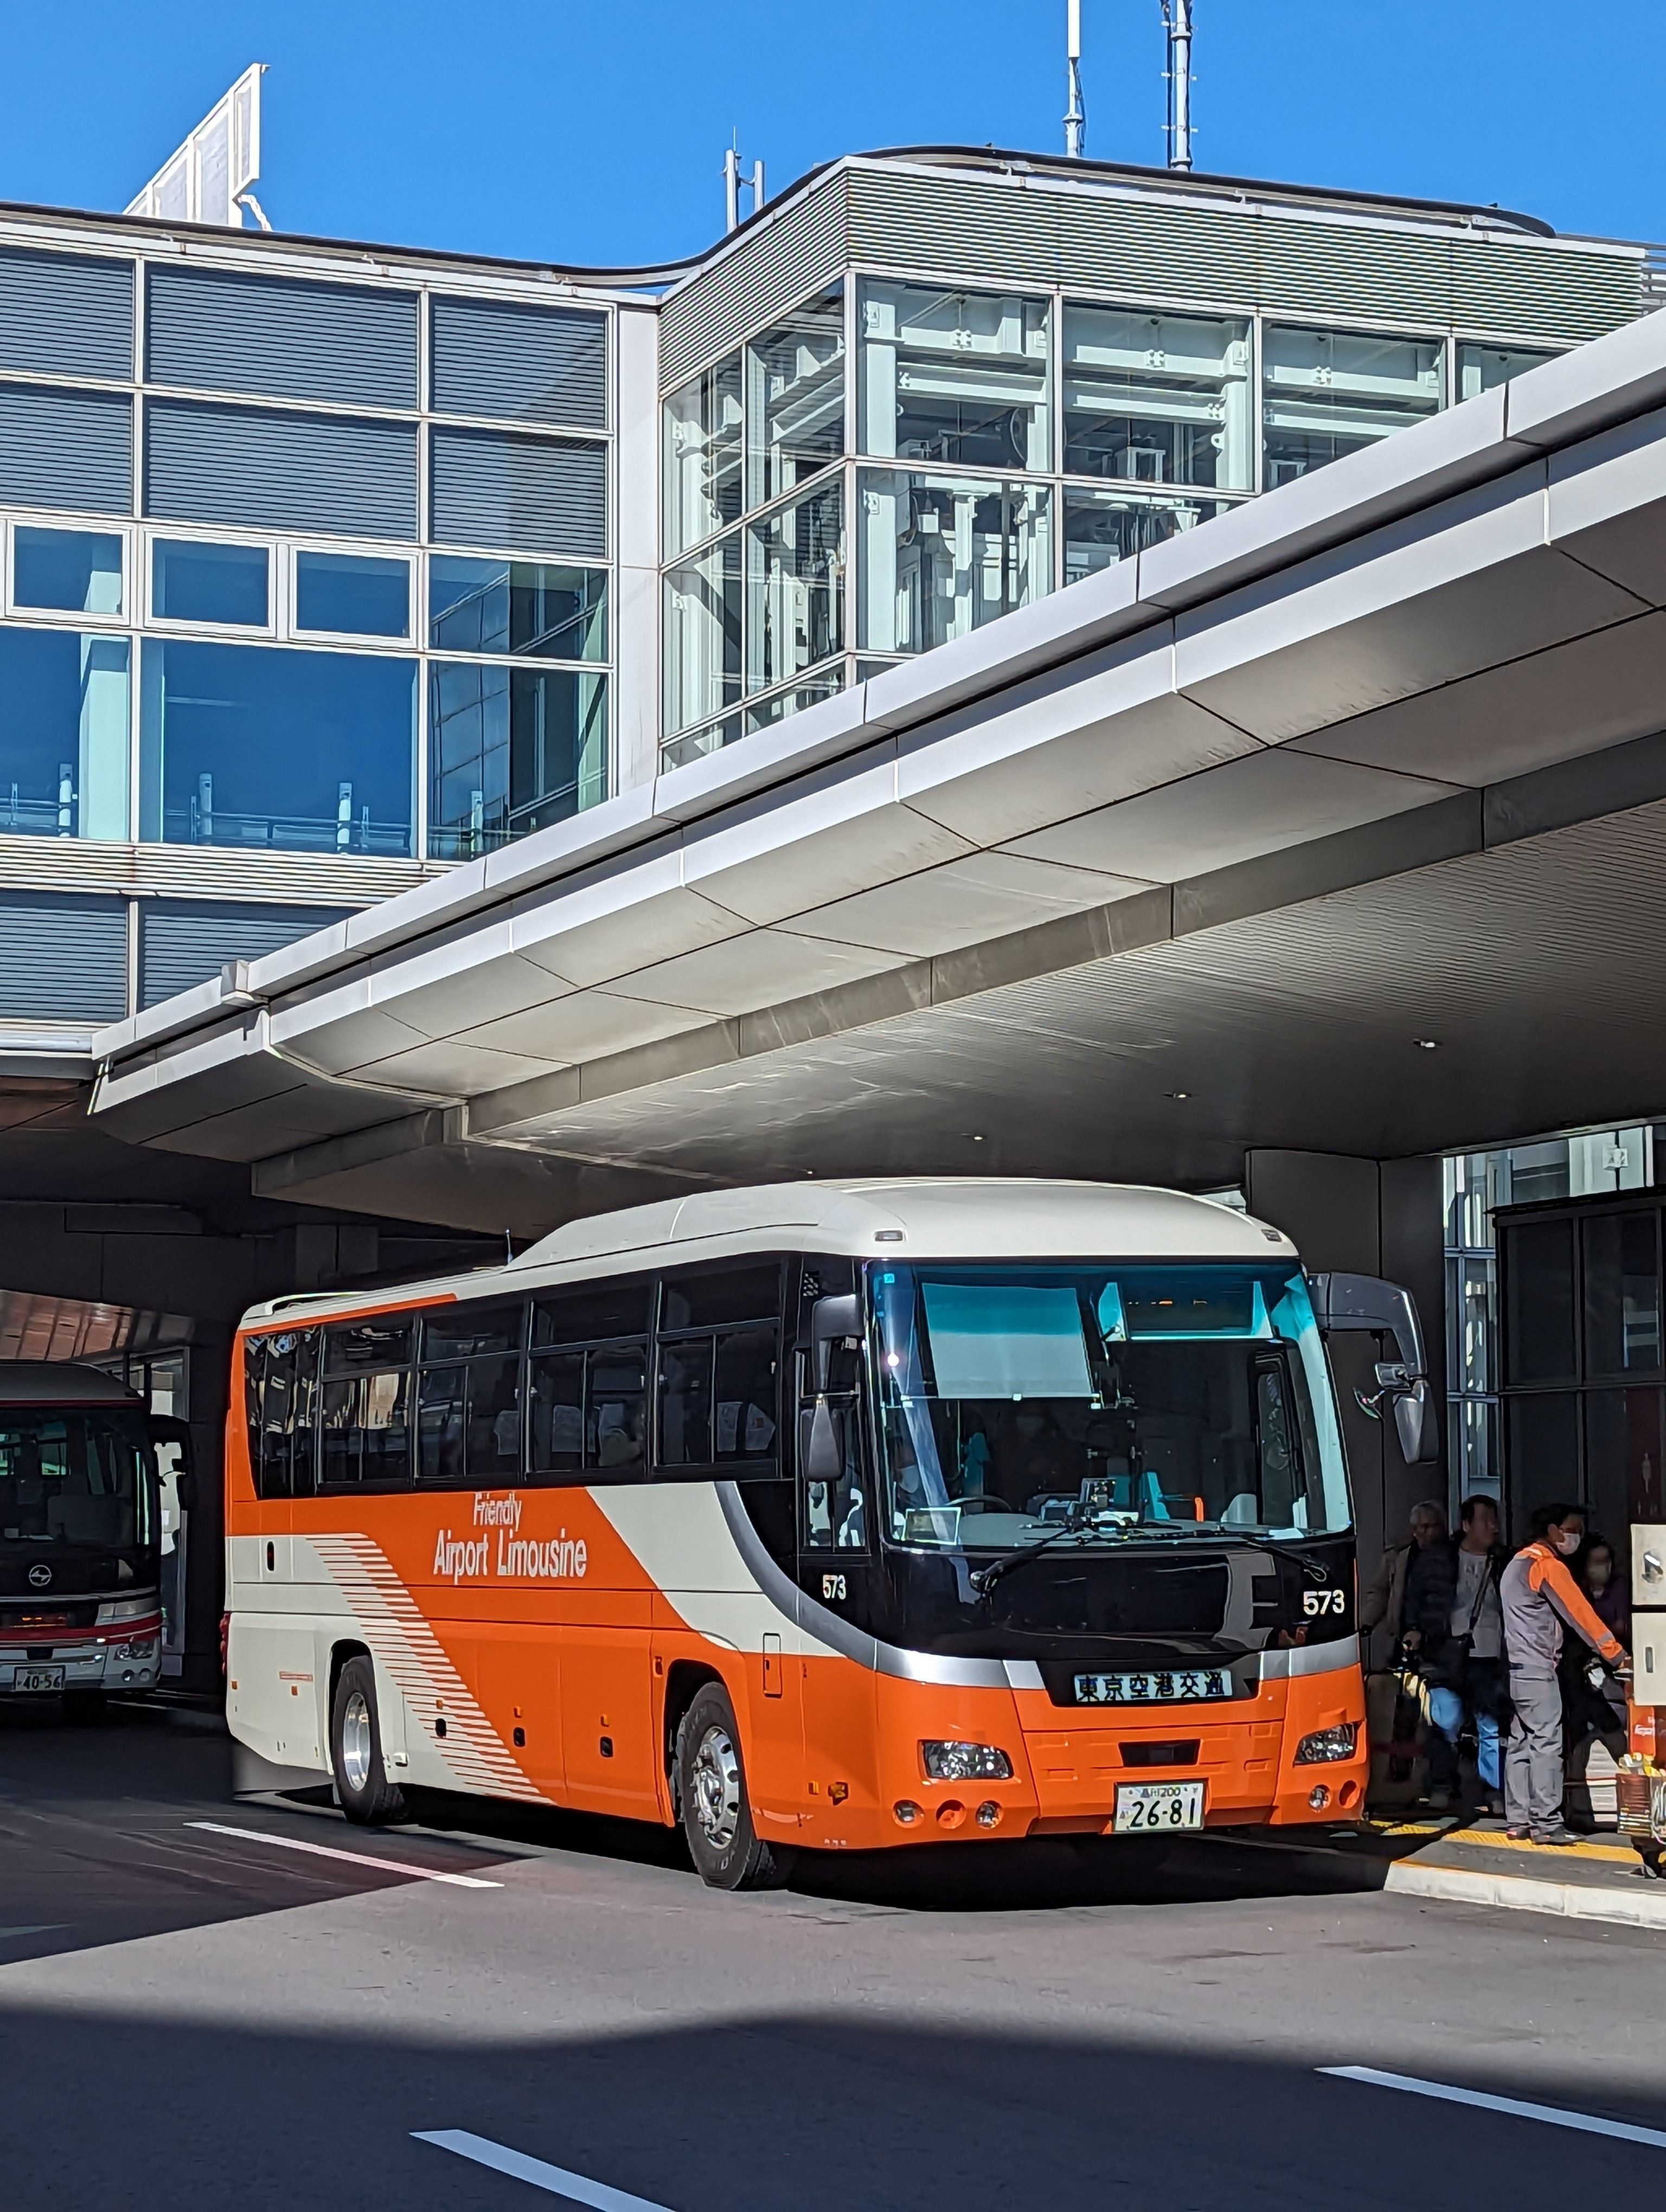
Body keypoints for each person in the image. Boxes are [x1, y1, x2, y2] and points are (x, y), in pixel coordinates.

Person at [1500, 1502, 1630, 1845]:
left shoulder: (1515, 1565)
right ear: (1554, 1531)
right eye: (1573, 1529)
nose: (1577, 1537)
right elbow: (1581, 1615)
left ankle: (1518, 1820)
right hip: (1540, 1669)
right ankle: (1547, 1823)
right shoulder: (1546, 1567)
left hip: (1516, 1669)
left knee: (1521, 1743)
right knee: (1546, 1743)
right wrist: (1616, 1655)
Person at [1423, 1496, 1508, 1816]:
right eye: (1485, 1520)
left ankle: (1493, 1791)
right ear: (1466, 1525)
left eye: (1495, 1520)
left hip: (1490, 1655)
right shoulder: (1441, 1560)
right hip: (1449, 1654)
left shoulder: (1503, 1561)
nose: (1493, 1527)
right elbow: (1421, 1602)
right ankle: (1442, 1785)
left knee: (1490, 1725)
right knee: (1445, 1720)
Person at [1562, 1534, 1630, 1827]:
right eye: (1597, 1562)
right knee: (1577, 1741)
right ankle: (1575, 1811)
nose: (1603, 1567)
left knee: (1619, 1739)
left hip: (1612, 1677)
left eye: (1607, 1561)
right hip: (1578, 1676)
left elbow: (1622, 1626)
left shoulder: (1620, 1589)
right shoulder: (1574, 1592)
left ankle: (1638, 1807)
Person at [1360, 1499, 1449, 1669]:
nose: (1427, 1533)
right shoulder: (1399, 1557)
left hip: (1437, 1642)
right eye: (1421, 1527)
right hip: (1402, 1639)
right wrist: (1366, 1624)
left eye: (1431, 1527)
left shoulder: (1451, 1557)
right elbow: (1380, 1591)